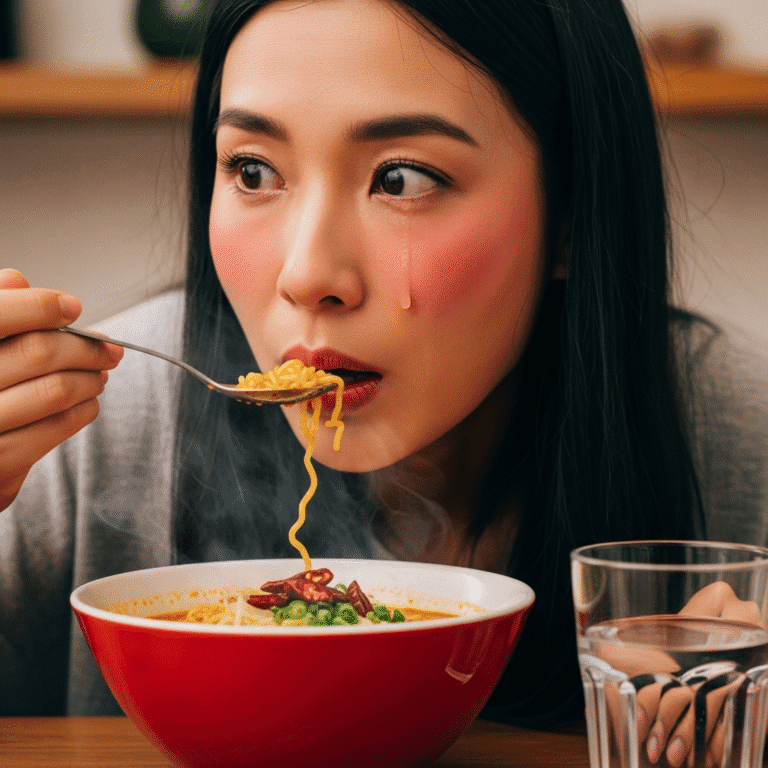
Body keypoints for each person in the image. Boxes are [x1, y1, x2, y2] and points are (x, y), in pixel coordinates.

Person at [2, 0, 767, 746]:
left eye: (401, 179)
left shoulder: (741, 437)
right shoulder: (90, 421)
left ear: (572, 213)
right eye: (253, 170)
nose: (307, 276)